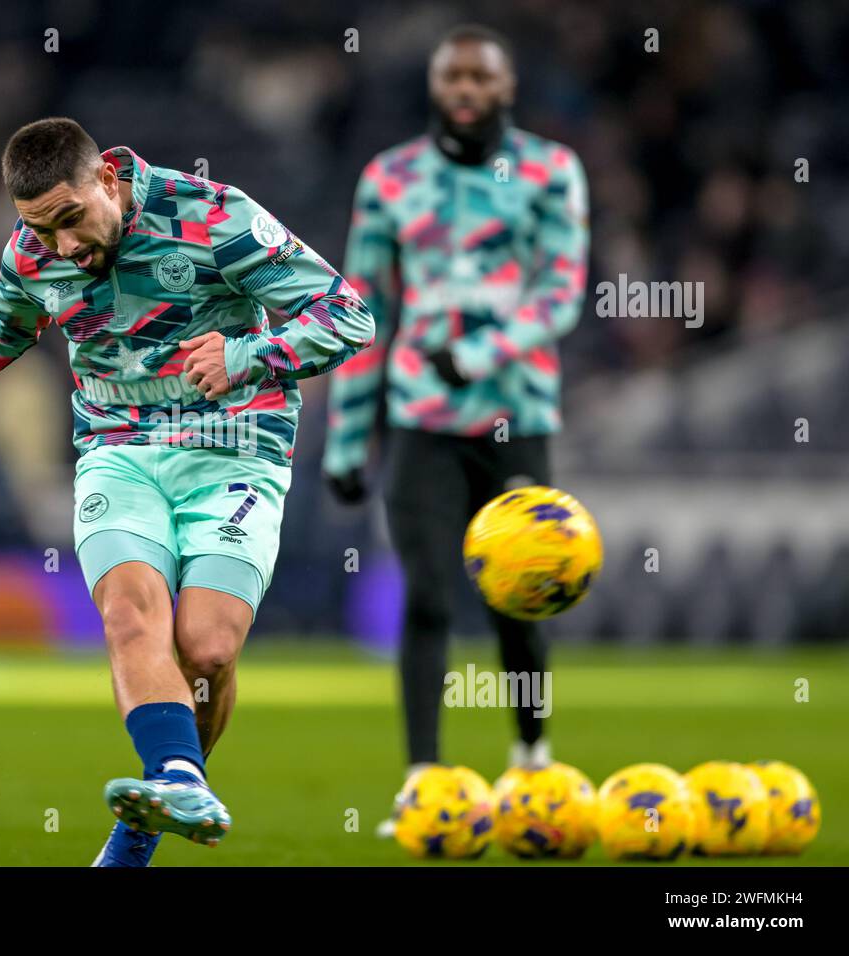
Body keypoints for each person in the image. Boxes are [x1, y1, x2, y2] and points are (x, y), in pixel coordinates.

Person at [0, 117, 374, 865]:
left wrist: (251, 352)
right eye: (40, 229)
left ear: (110, 180)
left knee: (208, 647)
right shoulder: (32, 255)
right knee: (130, 615)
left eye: (70, 219)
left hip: (235, 452)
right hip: (119, 453)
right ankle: (173, 781)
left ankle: (152, 810)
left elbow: (349, 316)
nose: (61, 245)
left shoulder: (216, 215)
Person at [321, 25, 589, 837]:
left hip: (519, 414)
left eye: (482, 76)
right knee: (429, 597)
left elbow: (563, 291)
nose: (467, 88)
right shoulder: (391, 178)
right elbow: (360, 308)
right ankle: (422, 782)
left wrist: (477, 353)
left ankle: (532, 762)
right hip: (421, 420)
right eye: (453, 76)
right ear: (436, 86)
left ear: (507, 87)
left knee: (521, 599)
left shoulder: (551, 171)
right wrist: (345, 435)